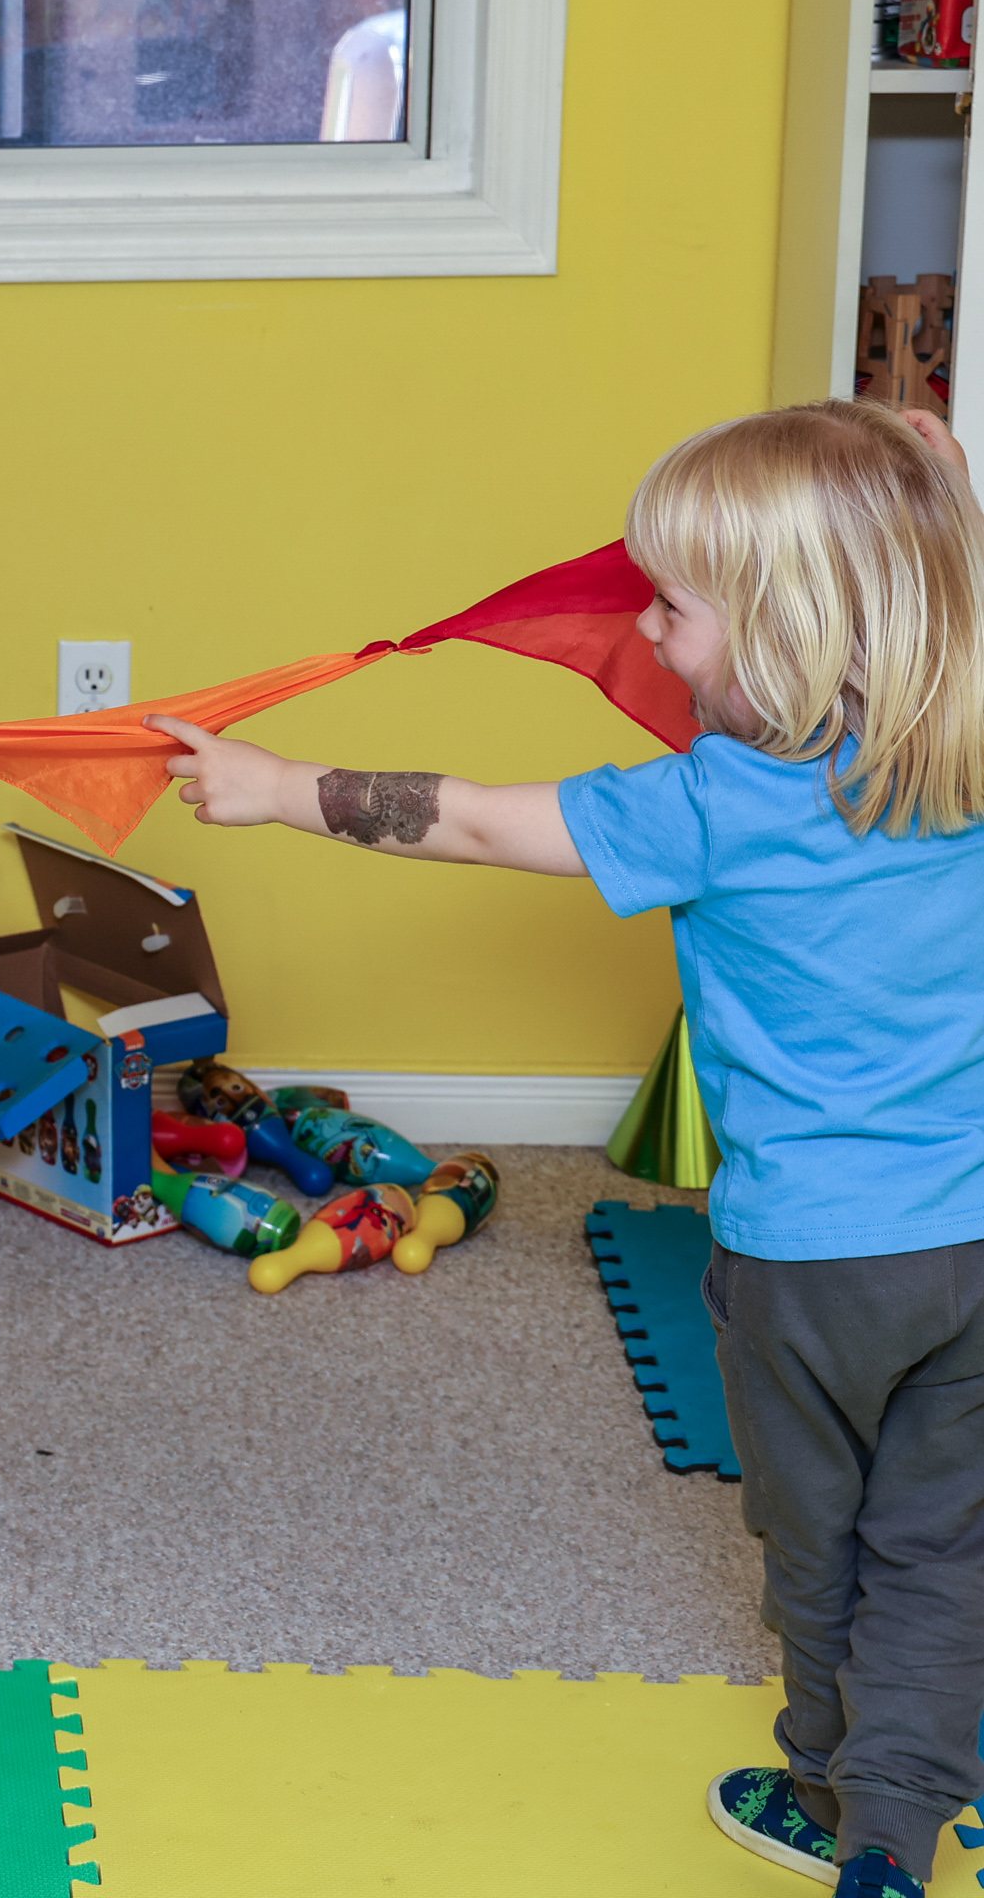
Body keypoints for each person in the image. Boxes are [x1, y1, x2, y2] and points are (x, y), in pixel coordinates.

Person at [153, 399, 984, 1898]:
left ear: (794, 630)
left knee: (821, 1543)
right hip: (969, 1252)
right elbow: (925, 585)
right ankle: (895, 1842)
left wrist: (277, 791)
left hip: (810, 1268)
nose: (646, 629)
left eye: (674, 605)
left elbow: (477, 823)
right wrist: (932, 492)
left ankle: (821, 1784)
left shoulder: (723, 802)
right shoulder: (967, 762)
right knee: (943, 1546)